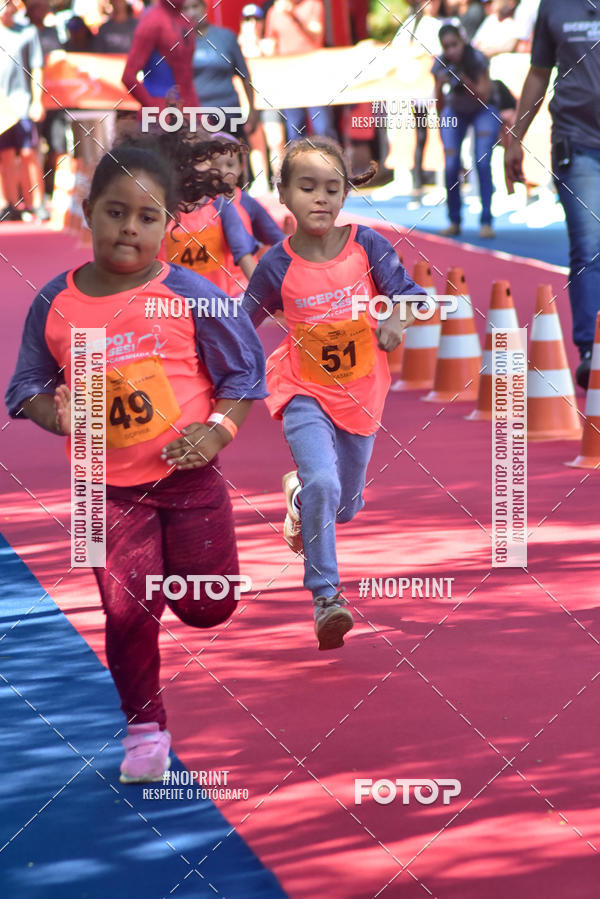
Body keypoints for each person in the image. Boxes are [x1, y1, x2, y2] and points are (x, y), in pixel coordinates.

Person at [5, 130, 267, 782]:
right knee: (126, 610)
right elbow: (25, 388)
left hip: (189, 478)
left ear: (168, 226)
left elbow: (244, 378)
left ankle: (178, 580)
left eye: (147, 217)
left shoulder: (192, 294)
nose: (128, 229)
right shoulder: (55, 303)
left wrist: (216, 432)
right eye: (115, 212)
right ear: (88, 210)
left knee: (210, 604)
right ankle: (144, 727)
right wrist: (53, 412)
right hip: (103, 490)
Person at [242, 137, 428, 651]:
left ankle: (299, 498)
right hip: (302, 388)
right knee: (324, 479)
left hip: (363, 392)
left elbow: (413, 296)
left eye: (331, 188)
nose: (320, 199)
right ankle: (327, 598)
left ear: (346, 194)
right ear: (283, 193)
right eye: (307, 187)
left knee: (343, 505)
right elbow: (241, 324)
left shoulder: (368, 245)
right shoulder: (277, 266)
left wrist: (395, 317)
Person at [506, 0, 600, 389]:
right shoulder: (554, 5)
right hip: (576, 144)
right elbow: (538, 73)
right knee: (590, 245)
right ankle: (593, 350)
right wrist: (515, 139)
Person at [161, 135, 259, 297]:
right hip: (174, 307)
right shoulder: (163, 211)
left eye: (199, 160)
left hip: (216, 304)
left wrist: (262, 296)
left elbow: (243, 255)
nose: (192, 168)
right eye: (183, 162)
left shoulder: (221, 207)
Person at [433, 21, 501, 238]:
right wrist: (440, 84)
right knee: (451, 163)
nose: (451, 50)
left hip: (482, 109)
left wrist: (465, 82)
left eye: (454, 44)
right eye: (447, 47)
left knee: (482, 161)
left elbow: (485, 95)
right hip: (456, 111)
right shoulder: (440, 64)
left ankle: (486, 221)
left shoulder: (477, 58)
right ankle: (454, 220)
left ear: (462, 41)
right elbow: (439, 104)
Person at [264, 0, 336, 142]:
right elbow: (271, 42)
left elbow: (317, 34)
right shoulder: (274, 12)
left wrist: (294, 16)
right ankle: (298, 162)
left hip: (313, 73)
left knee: (322, 125)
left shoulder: (313, 5)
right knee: (295, 126)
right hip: (288, 75)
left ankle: (328, 160)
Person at [0, 0, 46, 222]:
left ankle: (36, 203)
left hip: (22, 102)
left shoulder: (27, 32)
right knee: (5, 156)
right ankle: (8, 204)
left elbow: (37, 67)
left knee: (29, 153)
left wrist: (38, 100)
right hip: (2, 108)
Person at [392, 0, 444, 195]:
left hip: (427, 87)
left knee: (429, 134)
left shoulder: (428, 24)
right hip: (421, 88)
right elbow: (399, 48)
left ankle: (429, 182)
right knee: (424, 134)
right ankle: (419, 183)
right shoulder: (414, 24)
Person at [122, 0, 198, 112]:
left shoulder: (186, 22)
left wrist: (197, 114)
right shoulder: (152, 21)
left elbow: (187, 77)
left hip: (187, 112)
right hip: (162, 116)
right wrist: (155, 109)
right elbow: (128, 77)